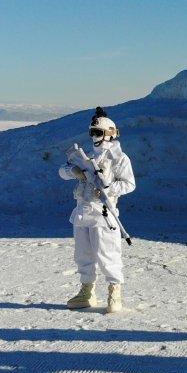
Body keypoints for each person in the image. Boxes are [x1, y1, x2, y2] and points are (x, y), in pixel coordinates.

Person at [60, 107, 135, 313]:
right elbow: (62, 170)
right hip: (82, 211)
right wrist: (73, 171)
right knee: (83, 254)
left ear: (110, 133)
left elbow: (129, 184)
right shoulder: (87, 156)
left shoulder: (119, 158)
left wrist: (109, 187)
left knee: (108, 254)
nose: (94, 137)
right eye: (92, 133)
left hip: (104, 214)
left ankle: (114, 291)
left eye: (98, 133)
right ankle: (87, 291)